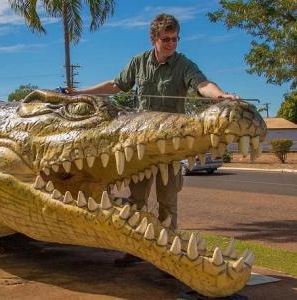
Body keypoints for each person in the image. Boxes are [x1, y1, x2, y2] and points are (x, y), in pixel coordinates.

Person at [68, 13, 239, 266]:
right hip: (140, 146)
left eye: (175, 39)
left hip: (170, 148)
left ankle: (168, 259)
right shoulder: (138, 63)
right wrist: (81, 92)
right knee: (136, 201)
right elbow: (116, 85)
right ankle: (136, 251)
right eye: (166, 39)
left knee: (167, 203)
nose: (171, 43)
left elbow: (202, 84)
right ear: (153, 38)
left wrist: (220, 95)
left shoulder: (184, 64)